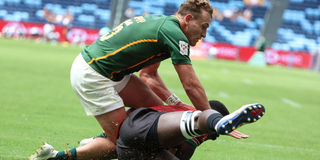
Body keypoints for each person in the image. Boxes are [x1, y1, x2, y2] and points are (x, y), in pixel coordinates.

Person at [30, 0, 217, 159]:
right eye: (203, 27)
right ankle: (56, 156)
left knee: (155, 113)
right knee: (129, 142)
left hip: (110, 71)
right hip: (94, 74)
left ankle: (100, 138)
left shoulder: (165, 25)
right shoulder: (174, 34)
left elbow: (148, 76)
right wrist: (212, 119)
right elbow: (190, 85)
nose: (204, 34)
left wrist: (176, 103)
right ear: (188, 19)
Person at [28, 101, 264, 160]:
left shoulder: (181, 108)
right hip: (140, 133)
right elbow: (183, 152)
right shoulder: (198, 129)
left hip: (128, 118)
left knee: (113, 144)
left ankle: (57, 155)